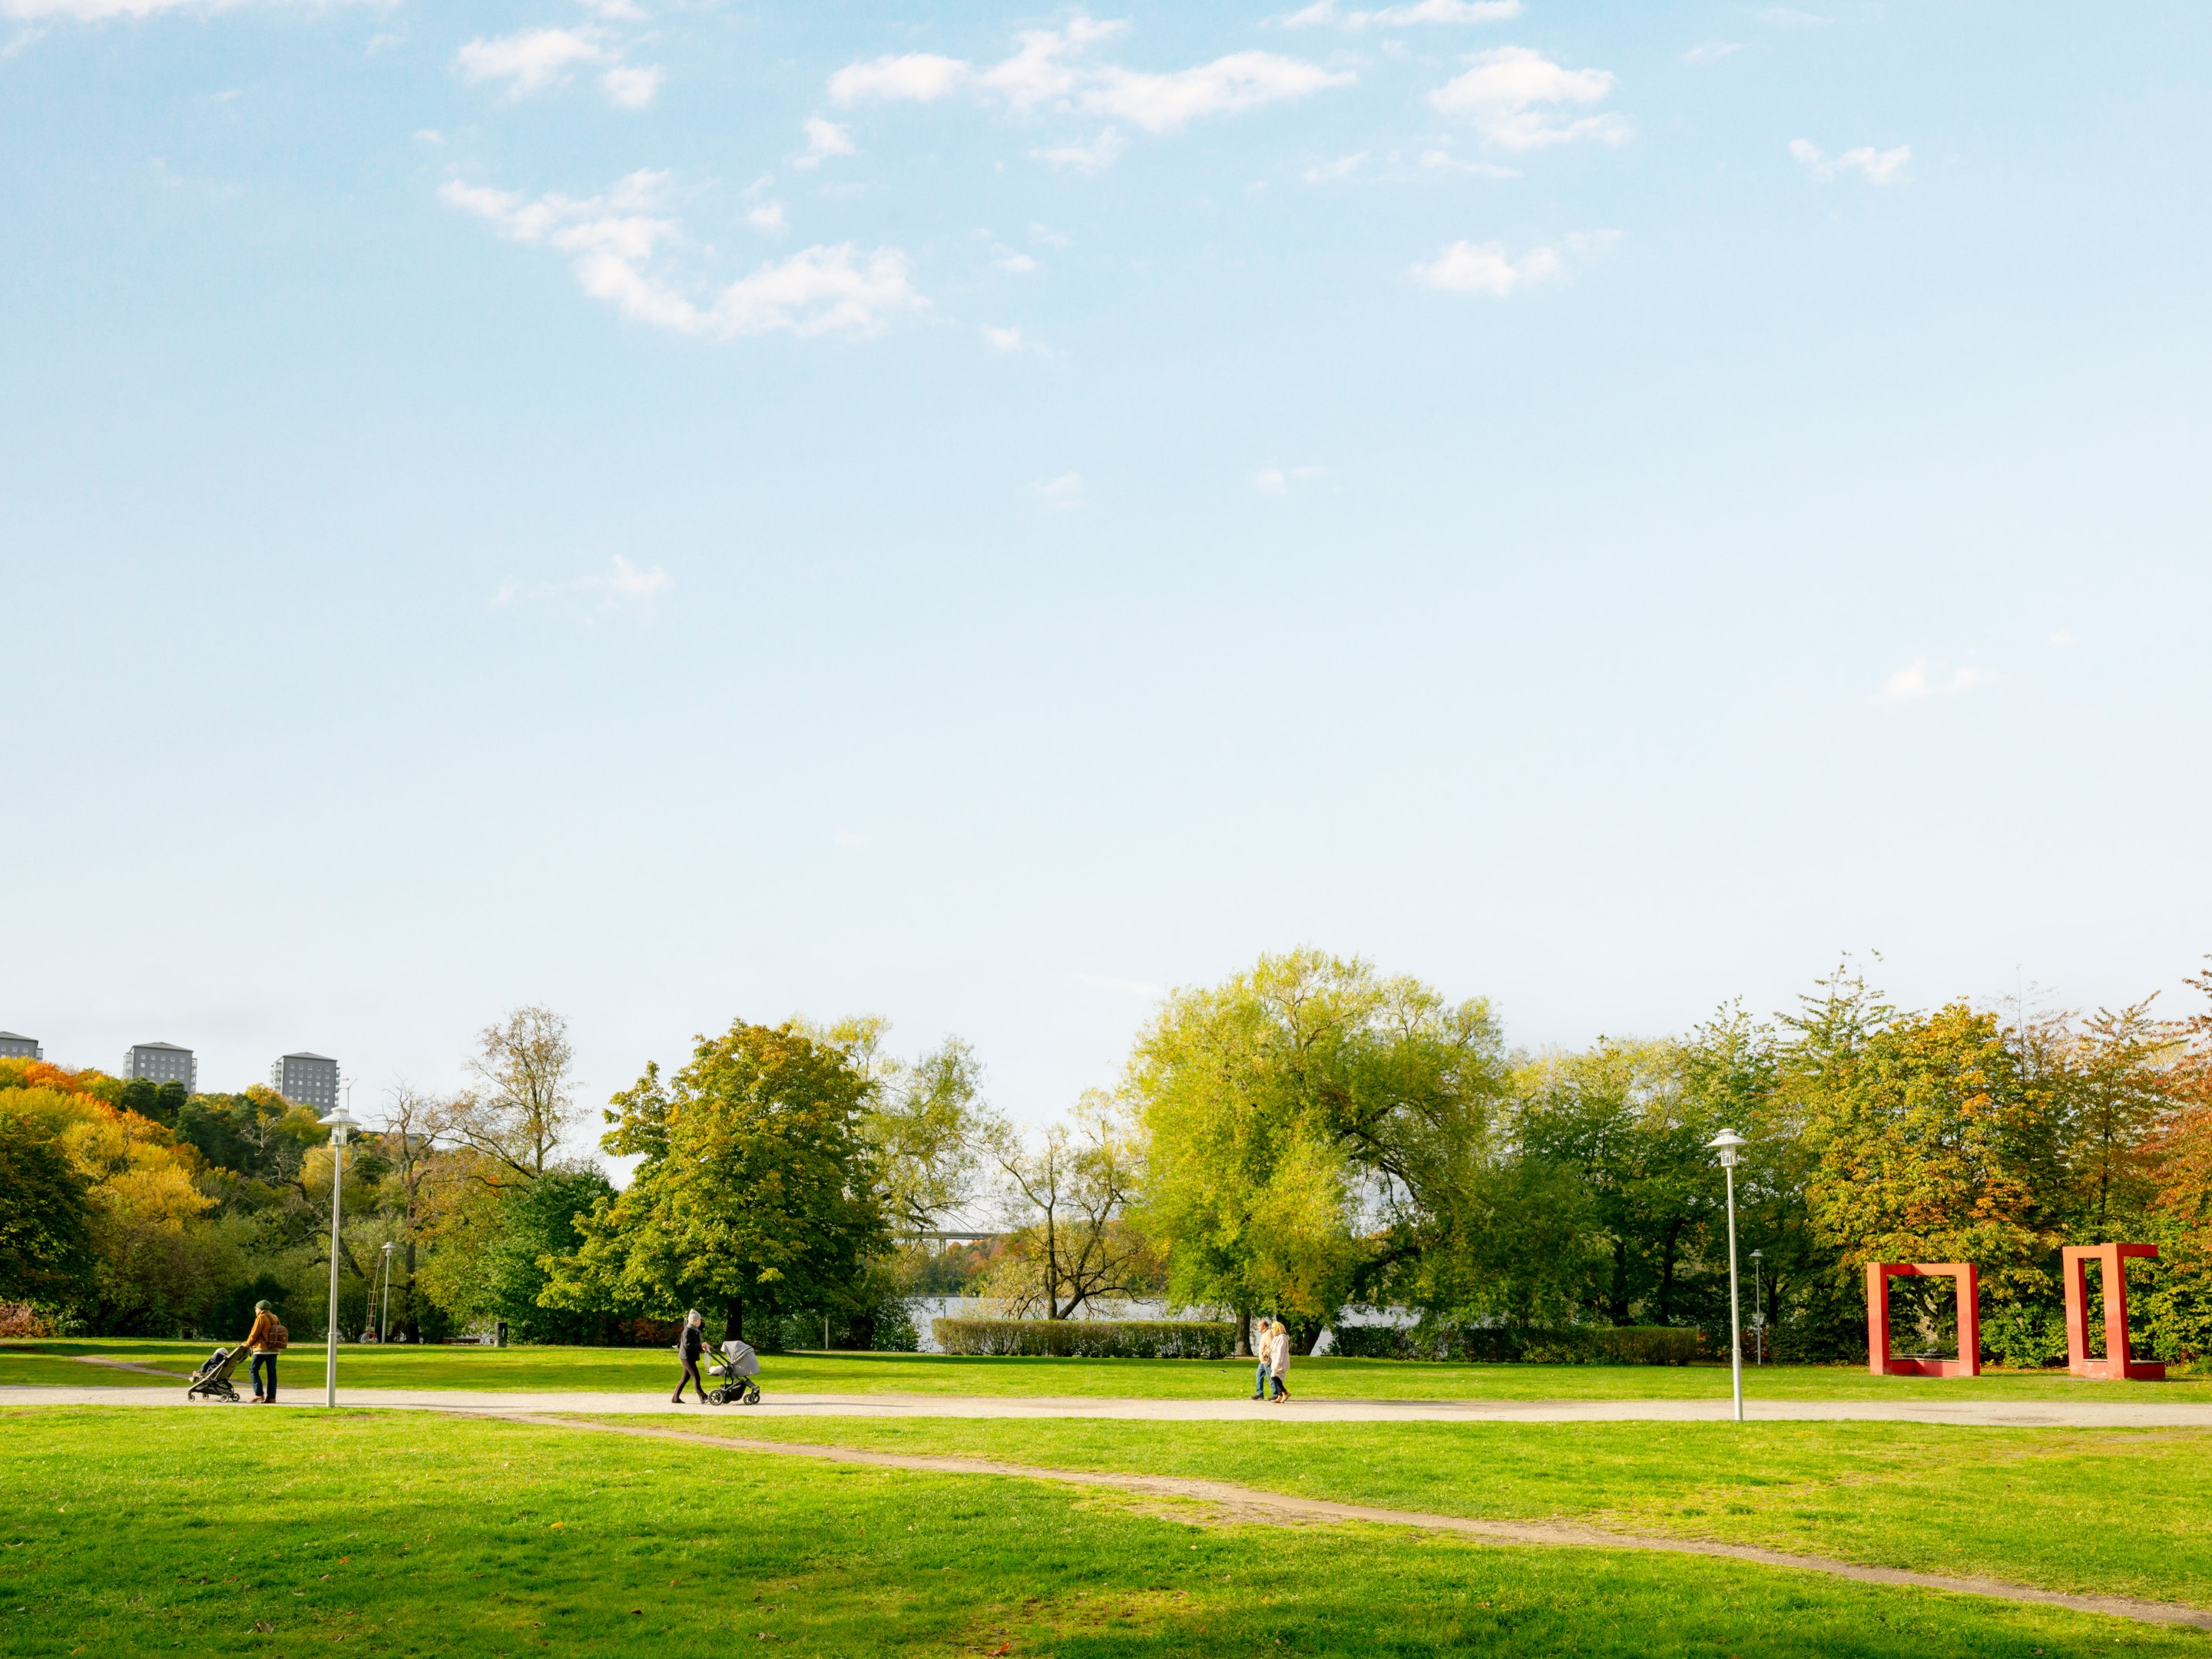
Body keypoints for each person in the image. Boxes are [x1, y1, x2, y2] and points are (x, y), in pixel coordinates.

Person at [240, 1300, 282, 1403]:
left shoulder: (261, 1317)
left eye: (256, 1309)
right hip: (274, 1349)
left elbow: (254, 1334)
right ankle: (271, 1397)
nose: (255, 1311)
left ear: (259, 1309)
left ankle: (259, 1394)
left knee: (253, 1370)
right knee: (272, 1373)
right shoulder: (275, 1317)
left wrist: (246, 1344)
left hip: (262, 1349)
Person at [672, 1310, 709, 1404]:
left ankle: (675, 1398)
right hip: (686, 1357)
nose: (700, 1322)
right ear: (694, 1321)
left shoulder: (694, 1330)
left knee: (685, 1378)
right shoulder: (687, 1331)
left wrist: (701, 1348)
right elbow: (687, 1345)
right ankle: (703, 1397)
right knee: (696, 1377)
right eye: (699, 1320)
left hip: (690, 1357)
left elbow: (694, 1344)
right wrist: (700, 1346)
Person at [1250, 1319, 1274, 1401]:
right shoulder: (1265, 1333)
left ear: (1264, 1326)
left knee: (1271, 1377)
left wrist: (1265, 1353)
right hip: (1262, 1361)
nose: (1258, 1328)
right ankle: (1259, 1394)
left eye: (1259, 1326)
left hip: (1267, 1360)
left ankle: (1276, 1394)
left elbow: (1271, 1346)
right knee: (1259, 1375)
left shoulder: (1268, 1333)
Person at [1269, 1319, 1291, 1402]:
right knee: (1278, 1378)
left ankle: (1285, 1392)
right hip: (1275, 1360)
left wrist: (1277, 1364)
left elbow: (1280, 1352)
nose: (1272, 1329)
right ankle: (1280, 1396)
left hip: (1280, 1361)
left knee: (1274, 1377)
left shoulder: (1282, 1338)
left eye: (1274, 1327)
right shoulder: (1276, 1337)